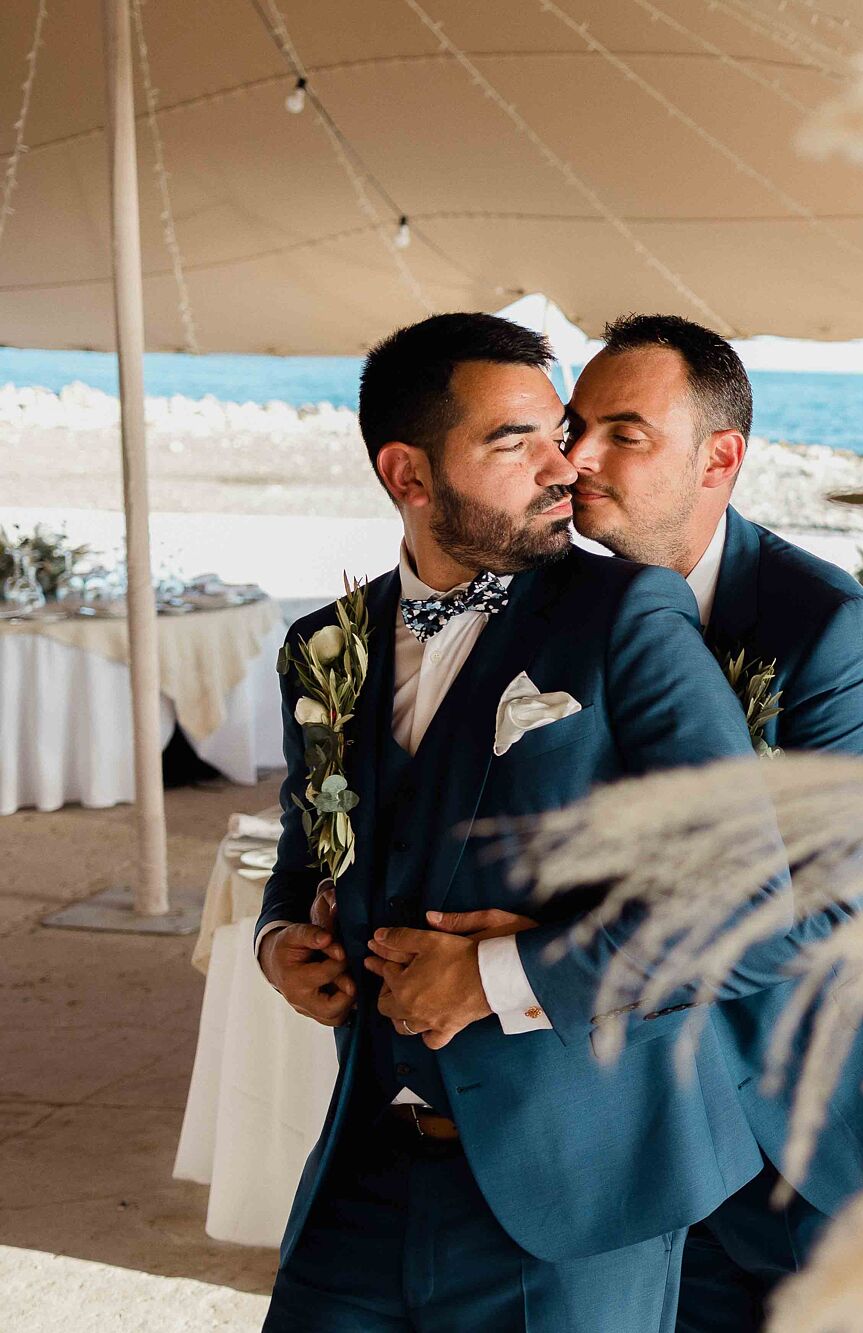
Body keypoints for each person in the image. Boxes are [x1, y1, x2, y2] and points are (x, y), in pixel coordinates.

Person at [255, 312, 788, 1332]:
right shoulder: (323, 645)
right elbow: (305, 843)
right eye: (517, 442)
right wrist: (282, 937)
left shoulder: (629, 616)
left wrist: (504, 973)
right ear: (408, 475)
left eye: (561, 432)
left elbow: (747, 893)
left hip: (577, 1185)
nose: (564, 467)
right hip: (365, 1168)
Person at [563, 313, 863, 1331]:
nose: (576, 455)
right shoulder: (548, 610)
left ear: (721, 457)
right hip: (649, 1137)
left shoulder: (821, 626)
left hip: (822, 1120)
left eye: (623, 431)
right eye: (574, 425)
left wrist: (538, 967)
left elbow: (834, 909)